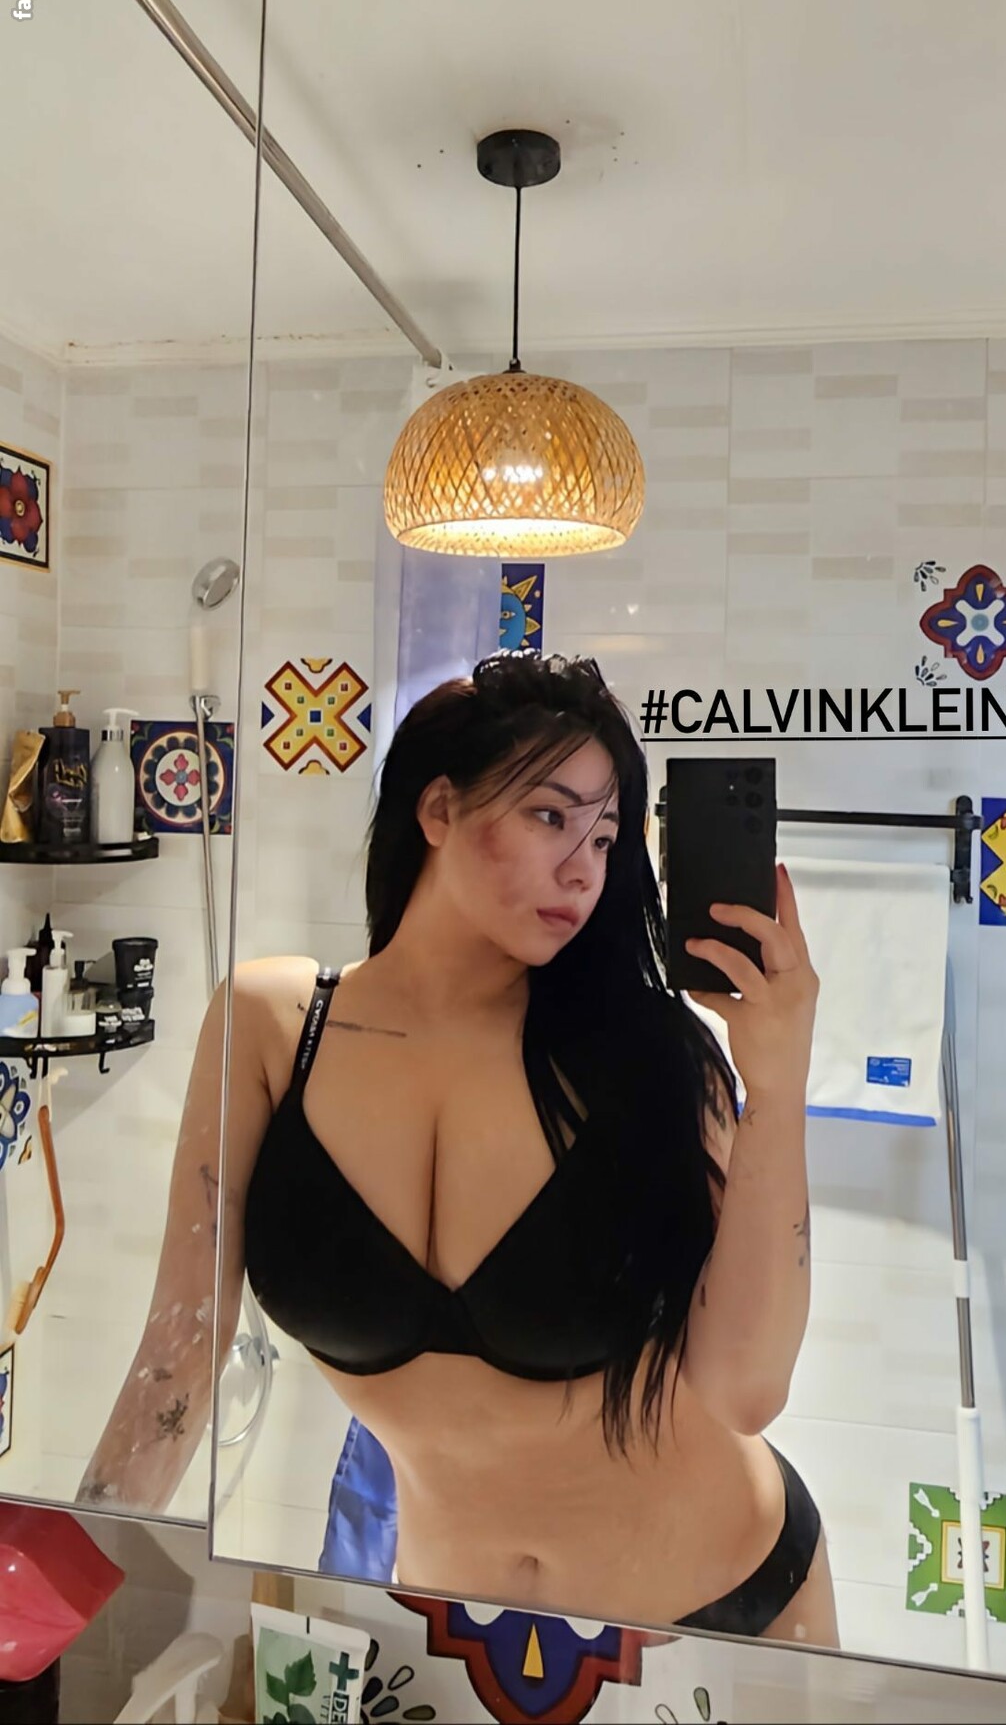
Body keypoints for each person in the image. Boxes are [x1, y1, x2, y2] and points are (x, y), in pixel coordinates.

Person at [79, 651, 837, 1644]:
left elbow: (745, 1392)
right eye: (551, 817)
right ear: (438, 809)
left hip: (724, 1607)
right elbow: (178, 1352)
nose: (584, 869)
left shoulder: (645, 1056)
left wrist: (776, 1090)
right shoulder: (270, 1027)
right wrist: (65, 1579)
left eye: (606, 838)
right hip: (453, 1627)